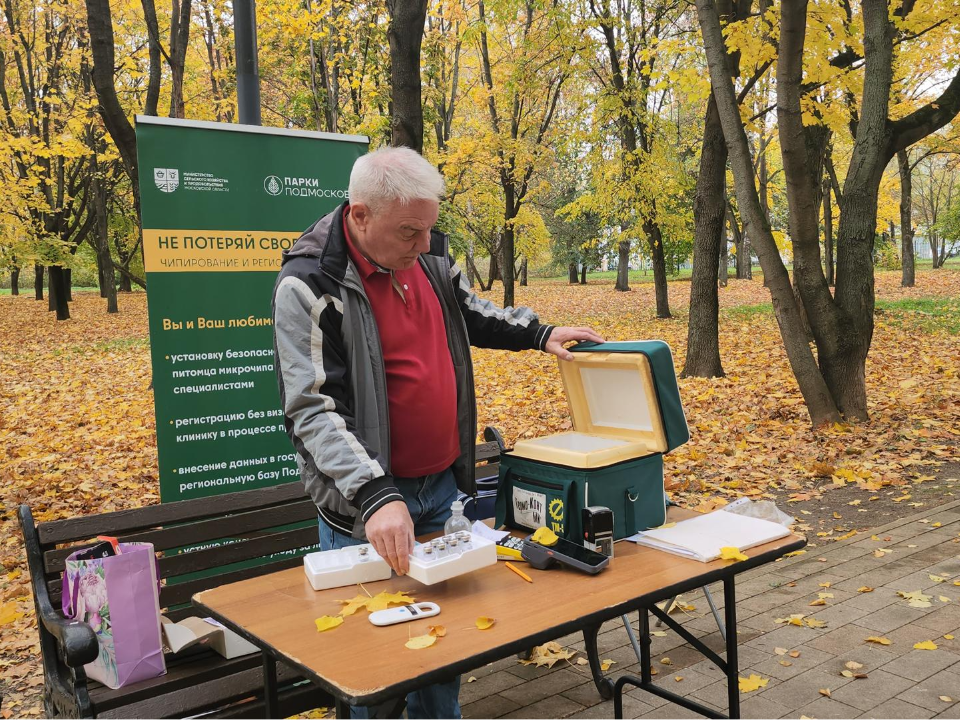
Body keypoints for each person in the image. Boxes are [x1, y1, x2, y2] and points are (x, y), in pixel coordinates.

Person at [272, 146, 602, 719]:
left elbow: (469, 311)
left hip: (439, 492)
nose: (426, 244)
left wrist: (537, 333)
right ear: (359, 216)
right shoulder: (309, 284)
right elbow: (314, 410)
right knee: (375, 670)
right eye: (410, 232)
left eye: (429, 228)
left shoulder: (426, 258)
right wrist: (376, 496)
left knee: (441, 657)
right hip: (371, 510)